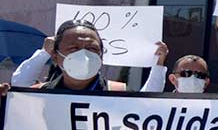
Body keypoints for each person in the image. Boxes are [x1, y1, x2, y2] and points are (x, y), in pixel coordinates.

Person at [11, 33, 170, 92]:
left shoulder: (117, 92)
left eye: (92, 49)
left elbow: (147, 105)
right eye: (74, 48)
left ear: (101, 56)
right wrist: (43, 54)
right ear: (56, 56)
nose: (84, 54)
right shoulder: (43, 92)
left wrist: (158, 65)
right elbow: (20, 84)